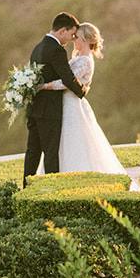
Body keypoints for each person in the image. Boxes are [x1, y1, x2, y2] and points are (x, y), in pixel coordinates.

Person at [37, 22, 127, 175]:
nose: (74, 40)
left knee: (73, 140)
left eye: (76, 37)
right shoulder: (79, 57)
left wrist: (45, 86)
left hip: (72, 105)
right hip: (66, 103)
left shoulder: (85, 61)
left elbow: (67, 82)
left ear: (86, 40)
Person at [23, 12, 87, 184]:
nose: (72, 39)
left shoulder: (38, 47)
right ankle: (52, 190)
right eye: (71, 34)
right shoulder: (56, 50)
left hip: (34, 107)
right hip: (49, 110)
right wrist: (82, 91)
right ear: (62, 31)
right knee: (51, 152)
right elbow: (68, 78)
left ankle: (26, 188)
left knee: (33, 151)